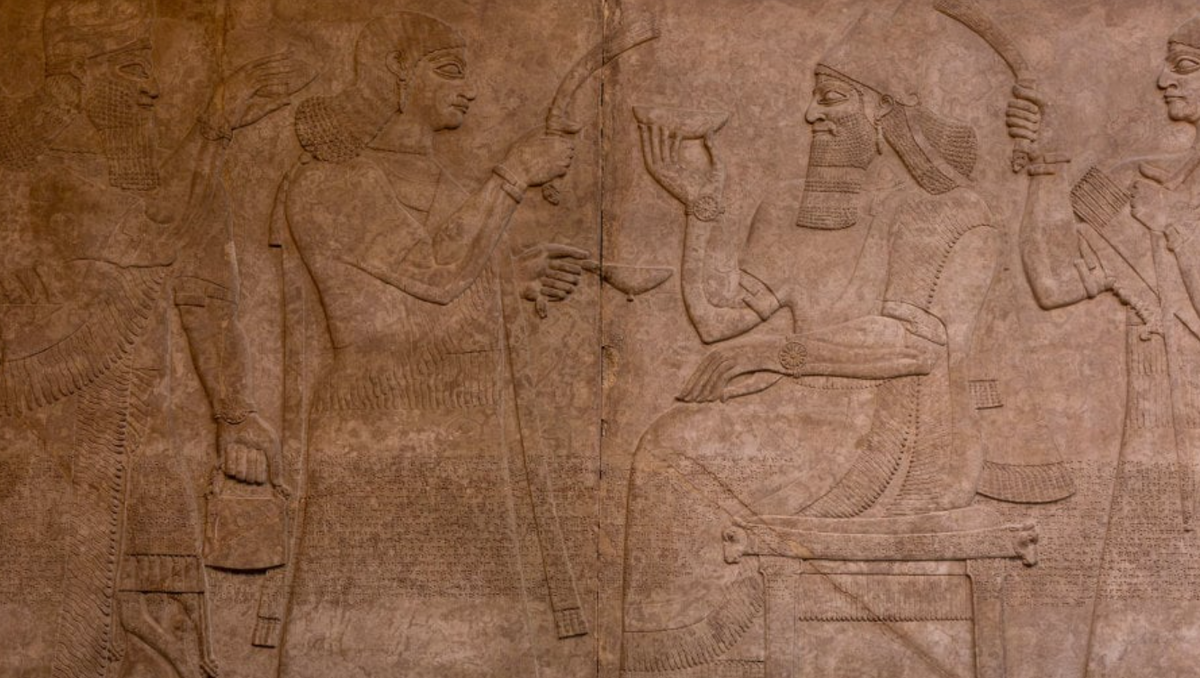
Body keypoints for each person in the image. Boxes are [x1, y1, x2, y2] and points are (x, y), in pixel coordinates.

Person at [620, 3, 1008, 675]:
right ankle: (684, 649)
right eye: (813, 100)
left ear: (884, 112)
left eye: (831, 100)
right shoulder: (794, 207)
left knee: (672, 452)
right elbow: (716, 319)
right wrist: (701, 206)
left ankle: (689, 650)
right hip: (805, 417)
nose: (811, 115)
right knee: (665, 445)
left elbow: (914, 346)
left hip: (900, 438)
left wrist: (774, 354)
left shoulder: (948, 212)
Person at [275, 12, 589, 677]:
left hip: (465, 428)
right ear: (396, 74)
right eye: (449, 71)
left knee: (475, 644)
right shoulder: (329, 182)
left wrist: (514, 282)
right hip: (376, 427)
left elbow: (435, 289)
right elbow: (437, 274)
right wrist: (514, 173)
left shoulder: (452, 187)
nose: (470, 90)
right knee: (359, 643)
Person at [0, 0, 304, 676]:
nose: (153, 89)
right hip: (47, 441)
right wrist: (214, 129)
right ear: (80, 74)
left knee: (166, 617)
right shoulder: (34, 164)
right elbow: (146, 239)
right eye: (133, 69)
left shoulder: (163, 177)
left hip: (141, 430)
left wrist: (234, 412)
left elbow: (204, 295)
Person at [1013, 14, 1200, 676]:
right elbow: (1054, 281)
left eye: (1185, 67)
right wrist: (1046, 170)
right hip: (1157, 442)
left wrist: (1177, 232)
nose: (1163, 79)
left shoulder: (1163, 205)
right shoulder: (1140, 182)